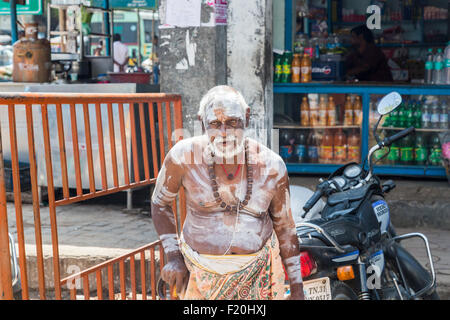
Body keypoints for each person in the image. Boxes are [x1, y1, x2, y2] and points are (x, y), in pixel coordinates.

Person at [151, 85, 305, 300]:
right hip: (198, 275)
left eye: (233, 122)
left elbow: (286, 228)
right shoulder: (183, 157)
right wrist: (174, 256)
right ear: (201, 122)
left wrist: (297, 288)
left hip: (258, 276)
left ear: (247, 118)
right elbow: (160, 203)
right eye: (215, 124)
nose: (224, 133)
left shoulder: (271, 166)